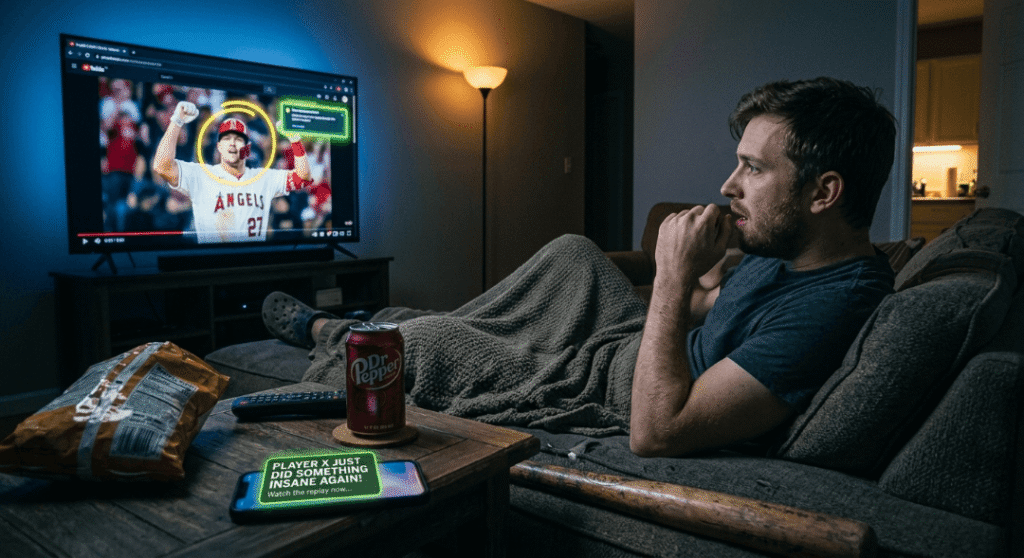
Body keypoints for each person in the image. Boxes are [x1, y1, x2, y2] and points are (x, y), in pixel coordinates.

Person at [262, 77, 897, 457]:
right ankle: (375, 323)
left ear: (823, 194)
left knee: (432, 344)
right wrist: (701, 278)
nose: (730, 184)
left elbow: (658, 430)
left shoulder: (834, 307)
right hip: (635, 344)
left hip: (627, 389)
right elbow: (714, 312)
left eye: (754, 169)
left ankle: (338, 334)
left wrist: (672, 277)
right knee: (575, 253)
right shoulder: (783, 252)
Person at [152, 101, 313, 243]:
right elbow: (162, 166)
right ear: (219, 146)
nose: (232, 143)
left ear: (247, 148)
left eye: (238, 139)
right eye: (227, 139)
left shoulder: (263, 177)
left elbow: (302, 177)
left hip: (254, 267)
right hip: (212, 266)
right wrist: (176, 121)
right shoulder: (202, 174)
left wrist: (295, 140)